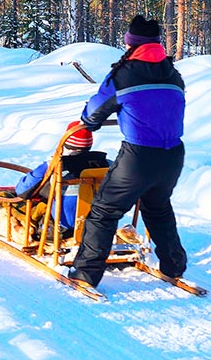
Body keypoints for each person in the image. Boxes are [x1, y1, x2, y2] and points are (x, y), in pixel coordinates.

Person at [68, 15, 188, 288]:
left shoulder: (123, 74)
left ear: (130, 43)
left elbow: (94, 113)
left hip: (138, 156)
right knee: (158, 207)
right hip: (173, 155)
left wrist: (89, 123)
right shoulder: (173, 74)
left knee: (104, 211)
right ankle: (174, 266)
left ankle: (86, 274)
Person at [14, 121, 110, 234]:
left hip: (64, 223)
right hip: (99, 223)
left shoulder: (54, 165)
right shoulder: (108, 165)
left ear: (65, 143)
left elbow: (22, 191)